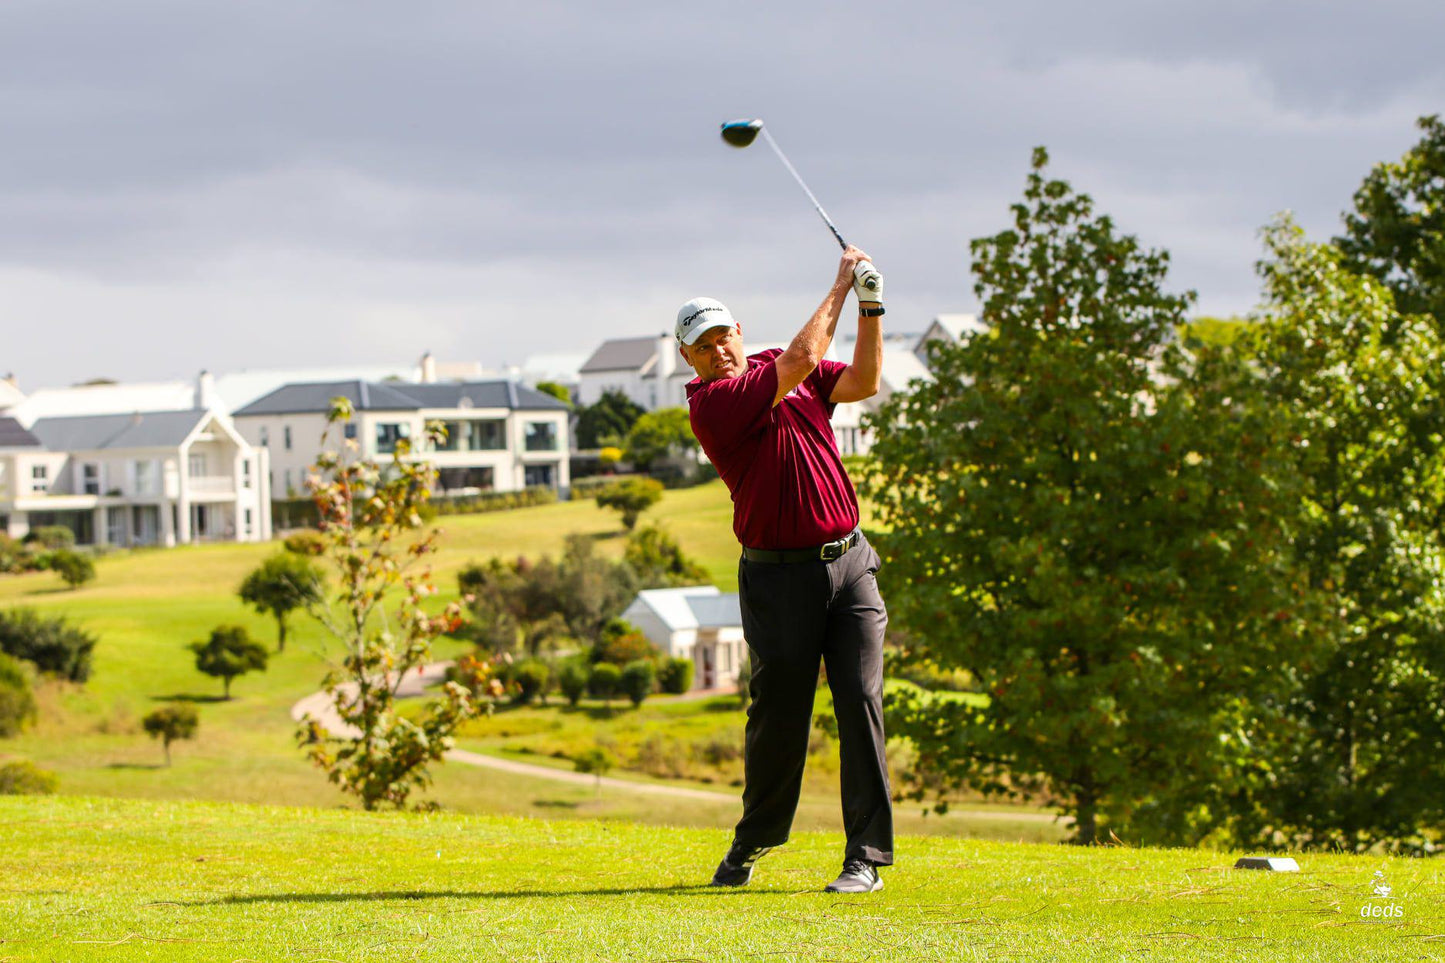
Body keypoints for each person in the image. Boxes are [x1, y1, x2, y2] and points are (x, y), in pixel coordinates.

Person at [678, 245, 892, 895]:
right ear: (686, 358)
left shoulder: (776, 366)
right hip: (778, 580)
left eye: (724, 335)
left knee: (859, 701)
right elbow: (803, 359)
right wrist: (841, 283)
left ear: (740, 332)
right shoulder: (714, 403)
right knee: (779, 713)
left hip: (849, 562)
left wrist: (872, 309)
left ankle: (865, 857)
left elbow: (861, 383)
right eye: (703, 344)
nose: (718, 350)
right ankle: (754, 838)